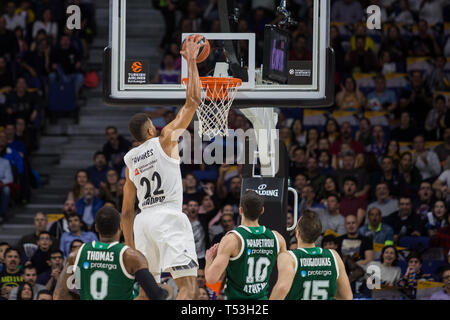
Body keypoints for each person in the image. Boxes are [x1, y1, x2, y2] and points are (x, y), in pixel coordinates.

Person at [121, 35, 205, 300]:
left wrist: (131, 248)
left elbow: (125, 212)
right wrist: (191, 61)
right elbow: (193, 102)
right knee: (189, 288)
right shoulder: (165, 138)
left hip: (142, 222)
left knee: (147, 294)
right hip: (168, 217)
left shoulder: (130, 159)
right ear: (149, 128)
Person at [53, 207, 168, 300]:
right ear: (120, 227)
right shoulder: (131, 257)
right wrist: (166, 292)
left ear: (96, 228)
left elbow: (59, 296)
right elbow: (156, 296)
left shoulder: (76, 254)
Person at [204, 190, 287, 300]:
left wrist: (209, 260)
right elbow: (285, 282)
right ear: (262, 210)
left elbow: (211, 279)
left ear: (240, 210)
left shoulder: (232, 239)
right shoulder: (278, 238)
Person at [269, 210, 352, 300]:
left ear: (298, 232)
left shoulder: (289, 257)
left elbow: (282, 288)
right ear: (318, 233)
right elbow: (347, 297)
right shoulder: (334, 256)